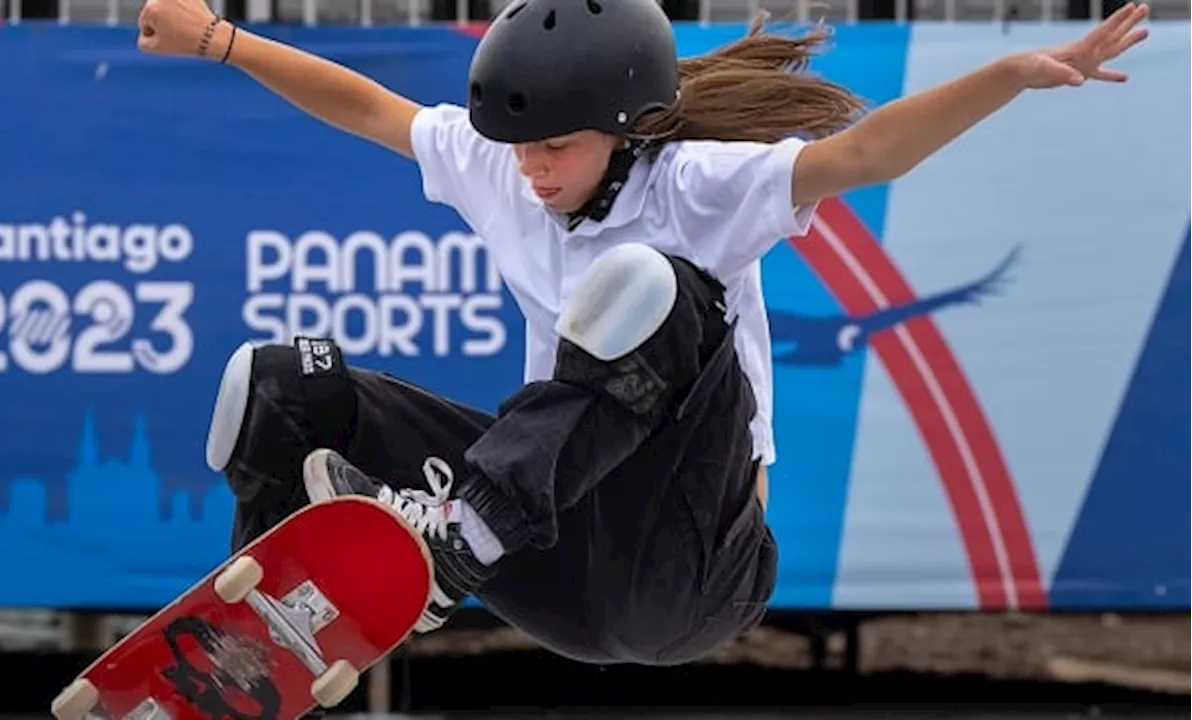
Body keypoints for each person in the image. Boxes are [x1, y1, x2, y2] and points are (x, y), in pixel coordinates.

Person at [140, 0, 1148, 665]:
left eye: (556, 149)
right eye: (518, 149)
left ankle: (461, 536)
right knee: (277, 388)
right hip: (551, 556)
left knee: (654, 289)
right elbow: (367, 107)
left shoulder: (701, 187)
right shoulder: (499, 167)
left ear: (623, 129)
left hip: (686, 571)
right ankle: (257, 638)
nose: (531, 171)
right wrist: (221, 40)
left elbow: (865, 155)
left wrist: (1010, 76)